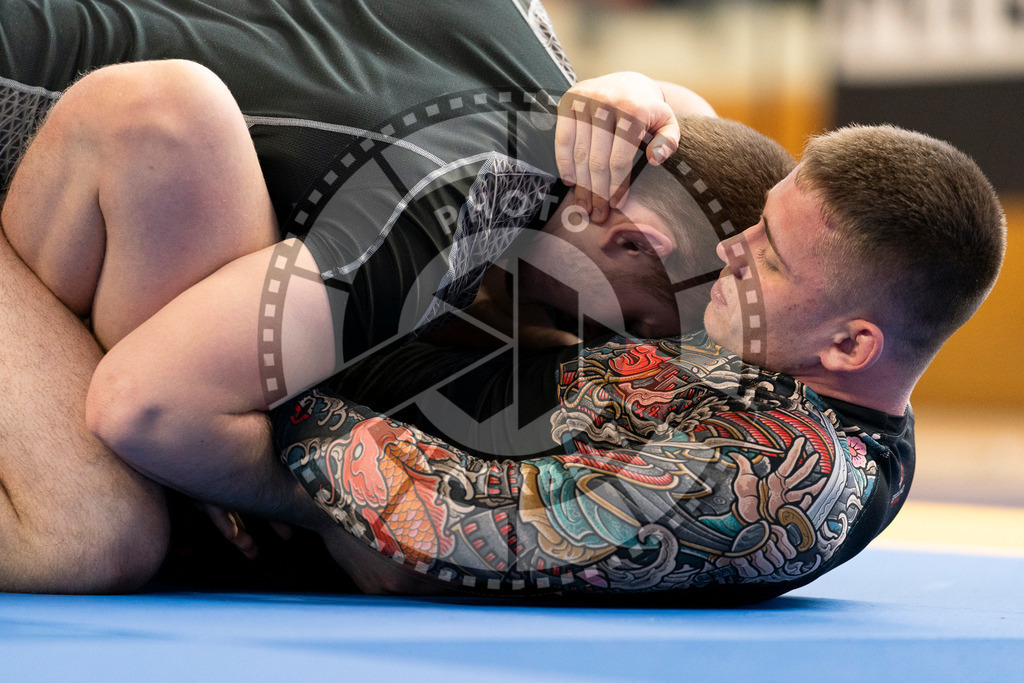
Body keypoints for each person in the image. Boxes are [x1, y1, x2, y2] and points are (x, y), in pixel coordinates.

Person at [0, 0, 787, 591]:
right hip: (79, 126)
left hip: (97, 113)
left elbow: (690, 132)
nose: (602, 348)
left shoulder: (586, 108)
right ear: (628, 238)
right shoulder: (447, 225)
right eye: (634, 326)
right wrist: (349, 516)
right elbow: (143, 405)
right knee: (93, 532)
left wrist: (633, 86)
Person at [271, 123, 1005, 602]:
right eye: (758, 222)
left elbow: (443, 522)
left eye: (769, 256)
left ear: (850, 345)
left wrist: (265, 406)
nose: (731, 248)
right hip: (389, 357)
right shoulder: (796, 349)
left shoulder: (771, 470)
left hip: (320, 414)